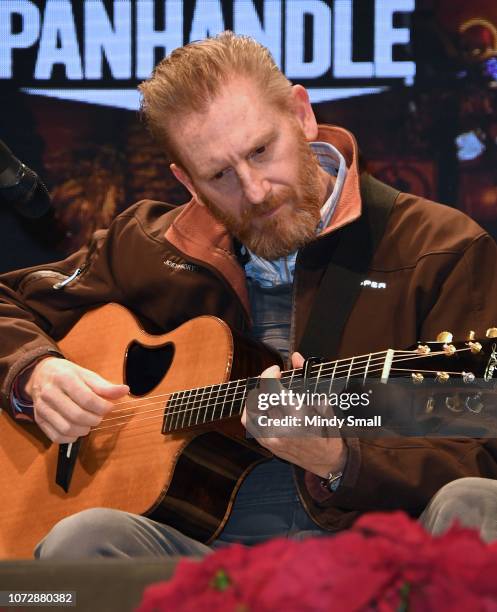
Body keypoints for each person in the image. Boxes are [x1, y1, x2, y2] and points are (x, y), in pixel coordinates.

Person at [2, 32, 497, 559]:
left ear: (301, 115)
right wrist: (36, 371)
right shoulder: (146, 243)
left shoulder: (441, 248)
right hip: (199, 549)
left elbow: (481, 448)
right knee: (81, 540)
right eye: (219, 175)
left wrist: (341, 457)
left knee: (476, 502)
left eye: (262, 150)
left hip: (375, 546)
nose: (255, 190)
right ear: (186, 181)